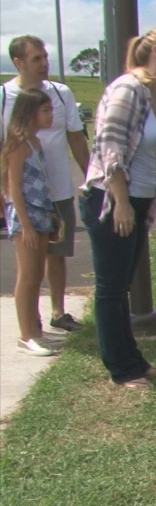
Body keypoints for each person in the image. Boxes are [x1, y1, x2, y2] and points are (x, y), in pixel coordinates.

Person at [80, 27, 156, 387]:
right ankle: (120, 369)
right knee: (111, 289)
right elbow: (109, 145)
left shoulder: (154, 97)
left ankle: (134, 362)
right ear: (155, 51)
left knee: (121, 287)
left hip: (137, 201)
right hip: (111, 200)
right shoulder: (128, 89)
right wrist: (121, 202)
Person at [2, 36, 91, 333]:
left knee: (58, 253)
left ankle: (58, 311)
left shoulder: (60, 93)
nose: (44, 64)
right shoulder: (5, 97)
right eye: (36, 59)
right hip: (22, 192)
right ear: (19, 62)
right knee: (30, 264)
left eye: (45, 57)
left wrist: (91, 176)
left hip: (58, 186)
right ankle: (30, 324)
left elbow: (76, 137)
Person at [3, 89, 64, 355]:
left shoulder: (36, 143)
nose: (50, 115)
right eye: (45, 110)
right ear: (30, 112)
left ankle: (37, 331)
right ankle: (26, 335)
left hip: (41, 213)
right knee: (27, 275)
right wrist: (25, 224)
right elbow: (14, 187)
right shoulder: (17, 144)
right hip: (25, 215)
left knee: (38, 273)